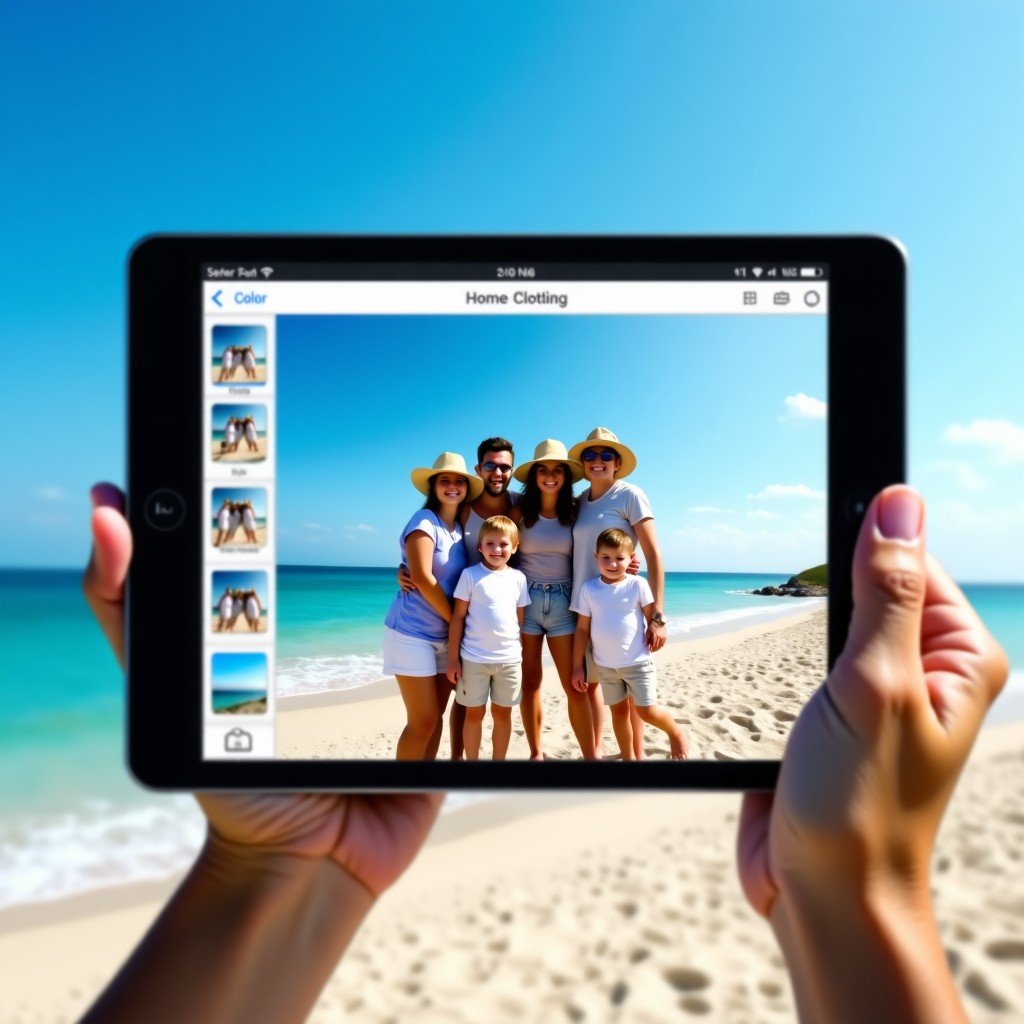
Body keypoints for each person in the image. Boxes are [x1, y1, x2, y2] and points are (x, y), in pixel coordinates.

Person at [81, 483, 1008, 1023]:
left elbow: (574, 593)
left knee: (592, 705)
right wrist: (859, 886)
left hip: (578, 640)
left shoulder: (596, 543)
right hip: (525, 644)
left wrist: (275, 867)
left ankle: (650, 745)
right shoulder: (471, 539)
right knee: (564, 705)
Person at [399, 436, 520, 759]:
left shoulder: (458, 521)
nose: (497, 471)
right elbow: (423, 571)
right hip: (424, 628)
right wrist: (403, 569)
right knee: (429, 718)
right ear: (480, 469)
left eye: (505, 466)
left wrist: (624, 560)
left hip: (459, 629)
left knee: (452, 706)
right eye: (491, 465)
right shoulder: (444, 517)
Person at [568, 426, 667, 759]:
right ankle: (596, 754)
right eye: (590, 455)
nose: (598, 461)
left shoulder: (630, 495)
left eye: (605, 455)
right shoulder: (579, 501)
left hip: (622, 605)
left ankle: (635, 756)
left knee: (628, 693)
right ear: (583, 463)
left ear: (617, 462)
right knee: (592, 685)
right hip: (585, 603)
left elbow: (653, 555)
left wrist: (658, 617)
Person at [383, 452, 483, 760]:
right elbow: (423, 578)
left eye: (458, 481)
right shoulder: (424, 521)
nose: (452, 486)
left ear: (466, 487)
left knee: (434, 718)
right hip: (412, 633)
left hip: (444, 638)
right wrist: (457, 620)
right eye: (444, 480)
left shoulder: (458, 529)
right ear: (433, 486)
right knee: (422, 721)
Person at [509, 439, 597, 760]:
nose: (550, 475)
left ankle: (591, 758)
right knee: (530, 682)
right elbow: (492, 542)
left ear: (566, 476)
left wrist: (629, 560)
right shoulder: (519, 511)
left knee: (575, 685)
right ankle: (536, 755)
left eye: (557, 470)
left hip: (564, 602)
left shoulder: (575, 511)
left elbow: (600, 540)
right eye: (543, 470)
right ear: (533, 476)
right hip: (525, 602)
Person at [571, 528, 688, 759]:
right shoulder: (589, 589)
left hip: (638, 663)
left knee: (647, 711)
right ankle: (628, 757)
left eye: (619, 558)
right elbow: (582, 630)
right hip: (606, 667)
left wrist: (660, 623)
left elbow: (653, 617)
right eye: (606, 558)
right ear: (596, 558)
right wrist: (577, 666)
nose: (612, 564)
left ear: (631, 559)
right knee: (619, 713)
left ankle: (676, 733)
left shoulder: (637, 584)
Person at [446, 515, 531, 760]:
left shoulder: (518, 578)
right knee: (474, 714)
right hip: (473, 659)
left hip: (509, 661)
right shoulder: (470, 575)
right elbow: (458, 618)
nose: (497, 549)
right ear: (479, 547)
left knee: (503, 715)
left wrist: (519, 654)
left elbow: (520, 620)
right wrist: (453, 659)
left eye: (504, 544)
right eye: (490, 543)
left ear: (515, 548)